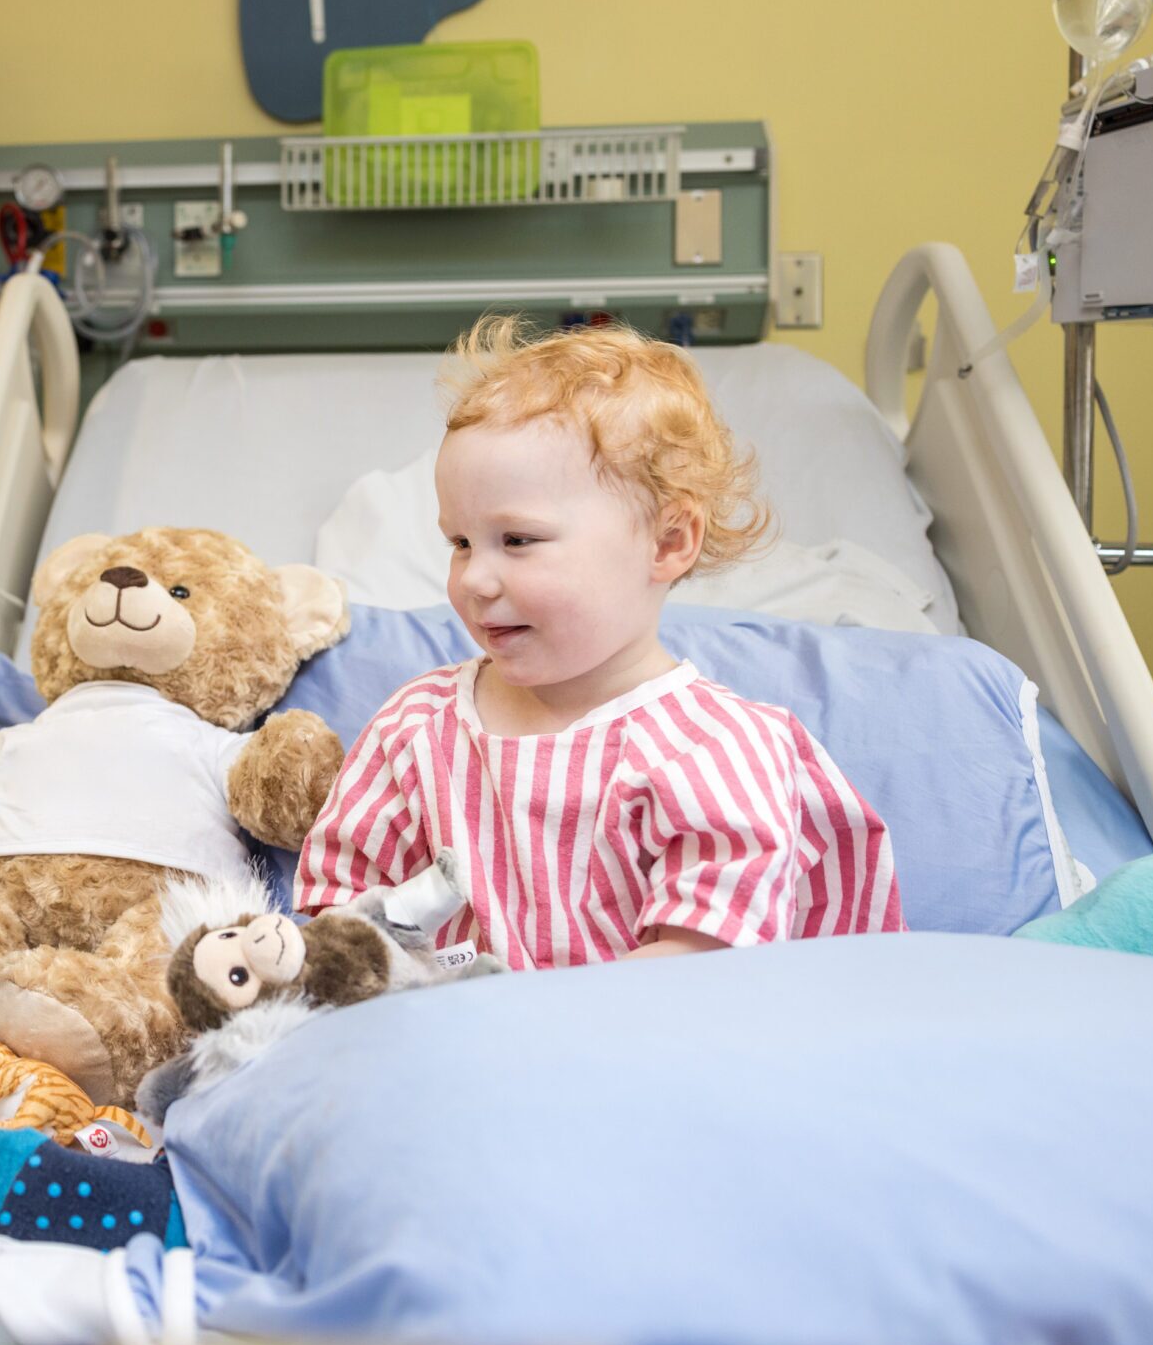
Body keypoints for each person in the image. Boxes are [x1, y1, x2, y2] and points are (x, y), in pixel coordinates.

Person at [296, 318, 903, 965]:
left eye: (518, 540)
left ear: (668, 543)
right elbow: (338, 922)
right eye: (461, 542)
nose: (474, 577)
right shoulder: (416, 730)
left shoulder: (715, 753)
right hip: (450, 1047)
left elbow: (707, 970)